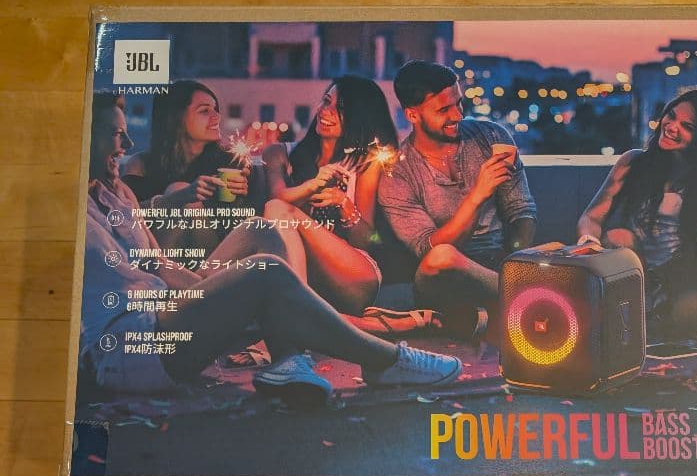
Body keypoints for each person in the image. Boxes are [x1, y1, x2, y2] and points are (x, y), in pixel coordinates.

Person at [81, 93, 461, 406]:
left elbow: (158, 263)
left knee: (261, 230)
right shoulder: (72, 212)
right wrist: (230, 294)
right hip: (131, 344)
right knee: (266, 271)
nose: (127, 145)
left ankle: (289, 360)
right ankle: (384, 360)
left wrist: (219, 293)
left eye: (126, 134)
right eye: (115, 134)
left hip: (167, 312)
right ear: (83, 137)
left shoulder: (116, 194)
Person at [576, 88, 697, 343]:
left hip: (687, 290)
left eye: (687, 126)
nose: (671, 127)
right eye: (671, 116)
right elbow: (591, 218)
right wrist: (589, 242)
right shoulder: (634, 163)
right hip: (644, 293)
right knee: (618, 237)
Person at [377, 60, 537, 336]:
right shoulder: (398, 173)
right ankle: (528, 296)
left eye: (459, 103)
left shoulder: (491, 137)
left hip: (499, 264)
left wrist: (514, 256)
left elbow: (521, 211)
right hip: (443, 278)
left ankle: (479, 314)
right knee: (441, 256)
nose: (457, 115)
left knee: (560, 251)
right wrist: (477, 196)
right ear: (412, 115)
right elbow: (427, 248)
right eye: (443, 110)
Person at [262, 75, 400, 316]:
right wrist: (313, 185)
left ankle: (297, 315)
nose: (326, 111)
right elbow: (277, 197)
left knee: (279, 210)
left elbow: (368, 240)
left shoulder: (366, 164)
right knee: (277, 209)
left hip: (352, 274)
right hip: (307, 275)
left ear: (358, 117)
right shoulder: (278, 154)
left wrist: (343, 203)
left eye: (341, 109)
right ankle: (301, 314)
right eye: (326, 101)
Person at [122, 80, 256, 250]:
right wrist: (175, 198)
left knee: (180, 191)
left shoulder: (232, 163)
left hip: (214, 253)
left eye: (215, 109)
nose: (217, 117)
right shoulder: (141, 164)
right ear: (175, 118)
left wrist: (242, 196)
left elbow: (242, 227)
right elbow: (126, 219)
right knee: (178, 190)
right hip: (158, 249)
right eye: (205, 111)